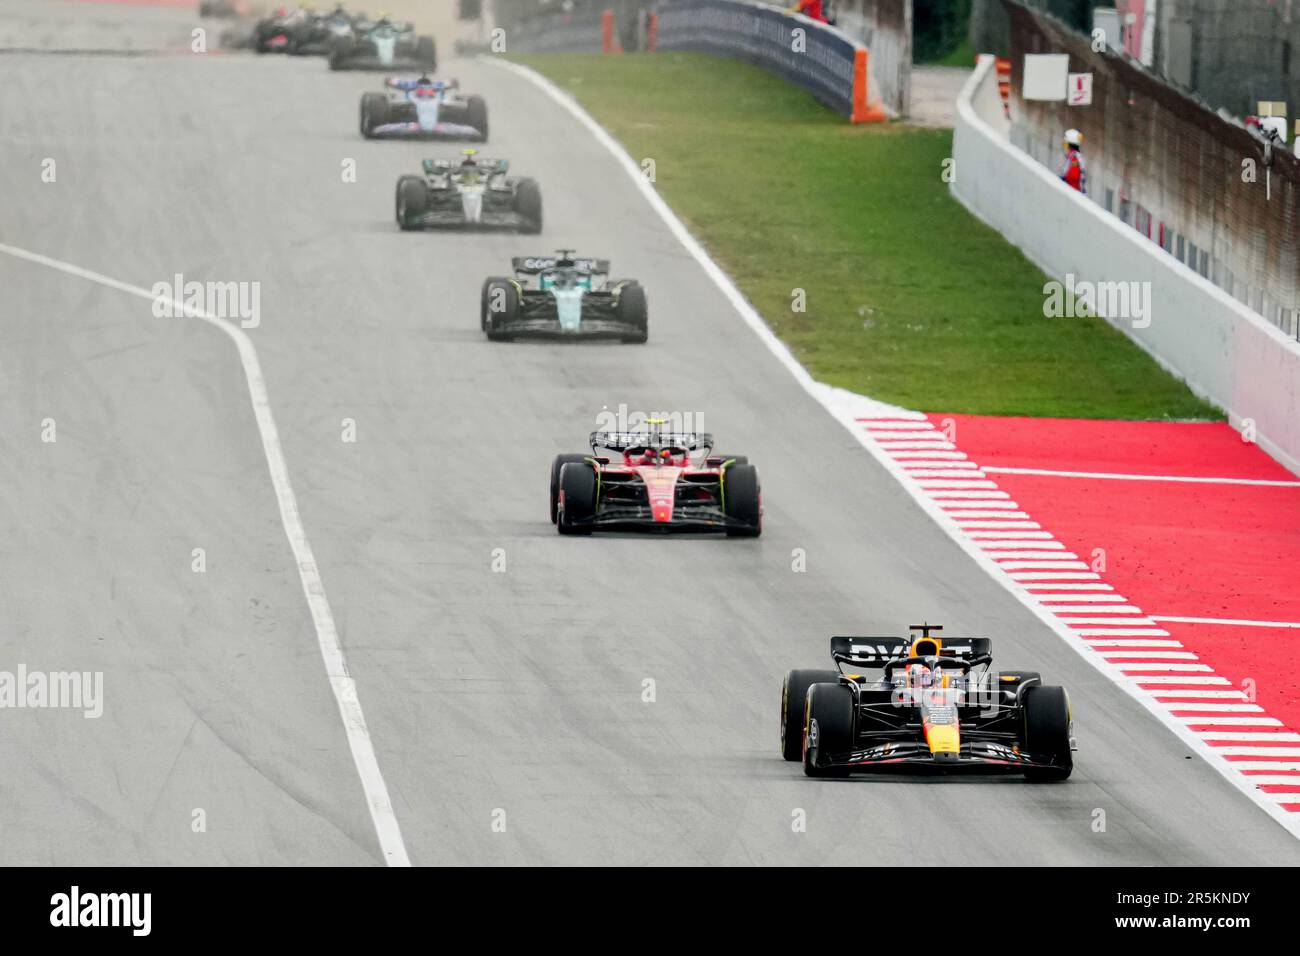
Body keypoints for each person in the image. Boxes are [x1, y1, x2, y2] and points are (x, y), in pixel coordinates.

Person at [1060, 128, 1087, 195]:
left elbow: (1072, 177)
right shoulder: (1073, 156)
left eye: (1066, 145)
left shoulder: (1074, 157)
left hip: (1073, 193)